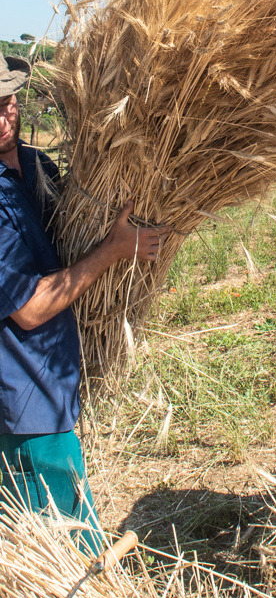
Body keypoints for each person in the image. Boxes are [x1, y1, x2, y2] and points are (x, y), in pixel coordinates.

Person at [0, 55, 162, 547]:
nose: (2, 116)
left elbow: (79, 228)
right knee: (68, 545)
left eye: (5, 101)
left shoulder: (34, 164)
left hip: (57, 380)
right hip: (26, 399)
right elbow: (28, 309)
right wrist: (114, 251)